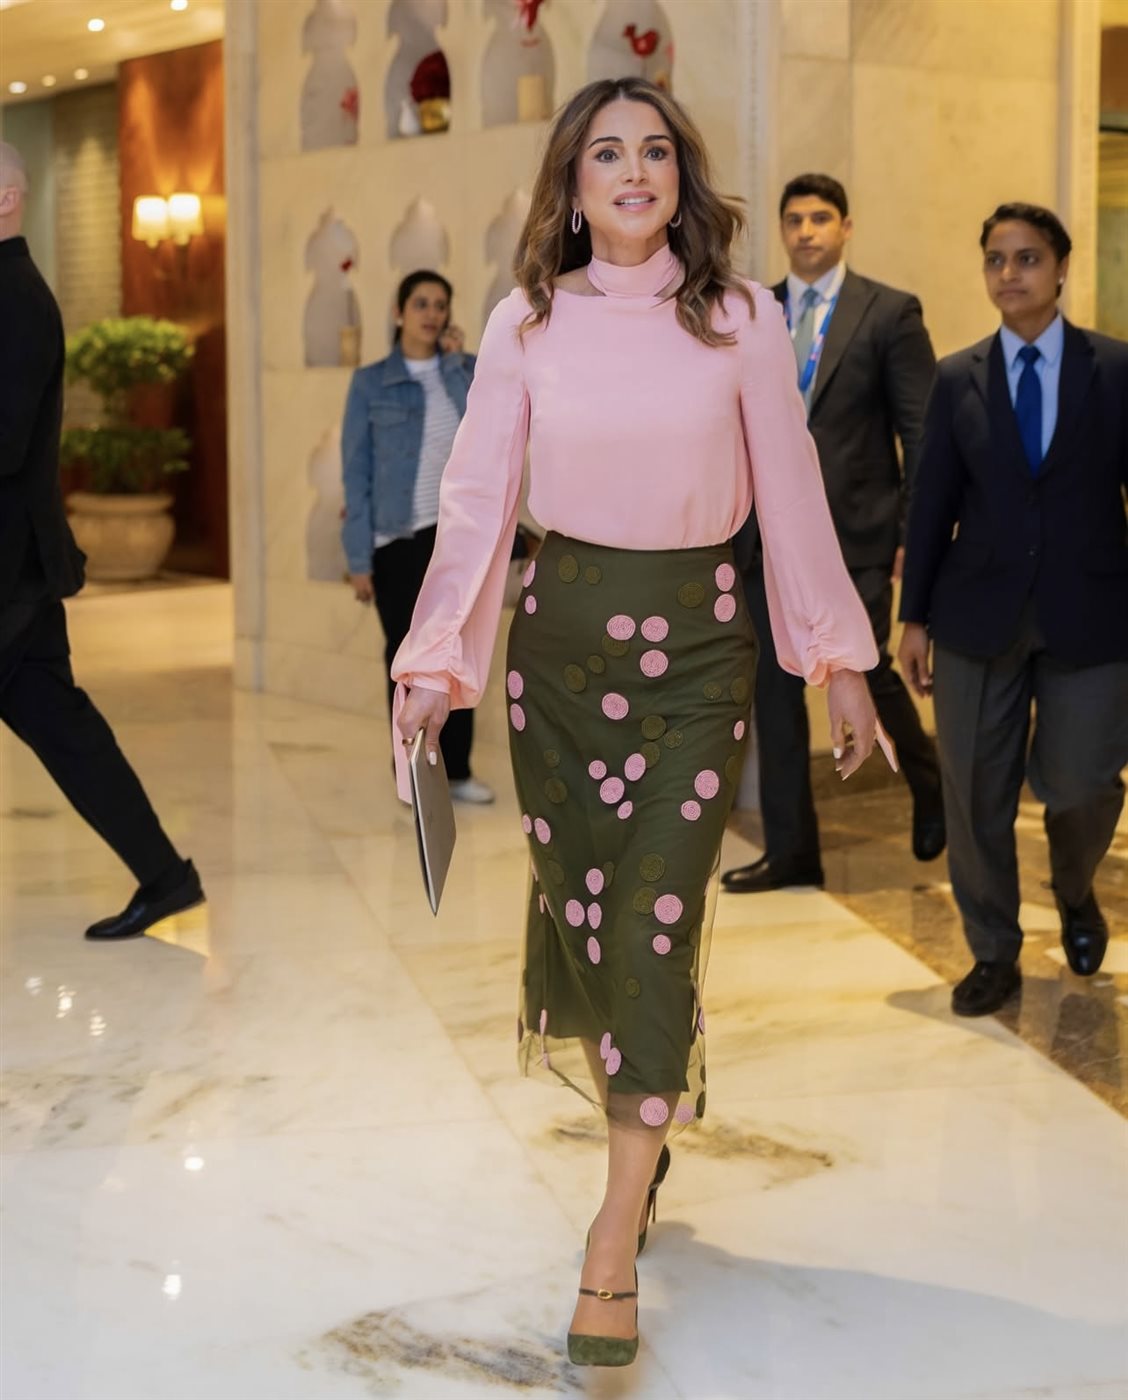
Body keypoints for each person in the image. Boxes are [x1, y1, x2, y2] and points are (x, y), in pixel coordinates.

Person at [389, 82, 887, 1366]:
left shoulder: (741, 316)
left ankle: (610, 1235)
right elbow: (479, 497)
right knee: (596, 915)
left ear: (681, 175)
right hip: (556, 662)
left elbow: (792, 488)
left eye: (655, 150)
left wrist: (837, 656)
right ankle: (646, 1122)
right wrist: (434, 659)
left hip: (699, 657)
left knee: (657, 914)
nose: (634, 169)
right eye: (606, 152)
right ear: (571, 183)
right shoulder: (526, 320)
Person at [898, 203, 1128, 1018]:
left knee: (1083, 783)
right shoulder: (958, 376)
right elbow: (932, 503)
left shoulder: (1115, 368)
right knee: (973, 792)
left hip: (1092, 614)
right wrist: (913, 618)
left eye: (1027, 258)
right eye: (996, 259)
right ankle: (993, 951)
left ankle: (1075, 891)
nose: (1009, 273)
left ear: (1061, 268)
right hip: (975, 615)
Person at [0, 142, 203, 940]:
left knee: (69, 732)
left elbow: (6, 442)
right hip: (18, 573)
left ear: (6, 198)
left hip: (10, 574)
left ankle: (166, 875)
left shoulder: (18, 297)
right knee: (68, 733)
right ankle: (166, 876)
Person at [723, 173, 945, 894]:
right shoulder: (752, 312)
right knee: (775, 691)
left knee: (865, 668)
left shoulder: (888, 312)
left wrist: (913, 532)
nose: (806, 231)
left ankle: (930, 780)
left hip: (858, 534)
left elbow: (922, 434)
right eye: (794, 219)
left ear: (846, 227)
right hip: (764, 538)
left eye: (821, 218)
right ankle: (793, 852)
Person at [341, 270, 494, 803]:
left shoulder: (464, 371)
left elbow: (488, 430)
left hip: (456, 540)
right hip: (397, 541)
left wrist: (455, 363)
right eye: (421, 303)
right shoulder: (370, 383)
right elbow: (355, 474)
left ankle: (458, 773)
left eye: (440, 305)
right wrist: (358, 558)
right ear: (398, 312)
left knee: (457, 654)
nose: (432, 314)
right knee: (409, 661)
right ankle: (411, 776)